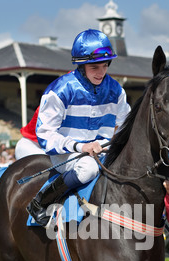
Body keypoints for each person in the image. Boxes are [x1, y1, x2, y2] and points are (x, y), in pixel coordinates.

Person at [25, 29, 130, 226]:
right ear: (81, 66)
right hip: (68, 153)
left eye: (105, 66)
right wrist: (80, 147)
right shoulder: (60, 89)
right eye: (95, 67)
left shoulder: (116, 90)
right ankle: (41, 202)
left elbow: (126, 123)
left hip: (103, 152)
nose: (101, 72)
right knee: (88, 169)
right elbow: (45, 135)